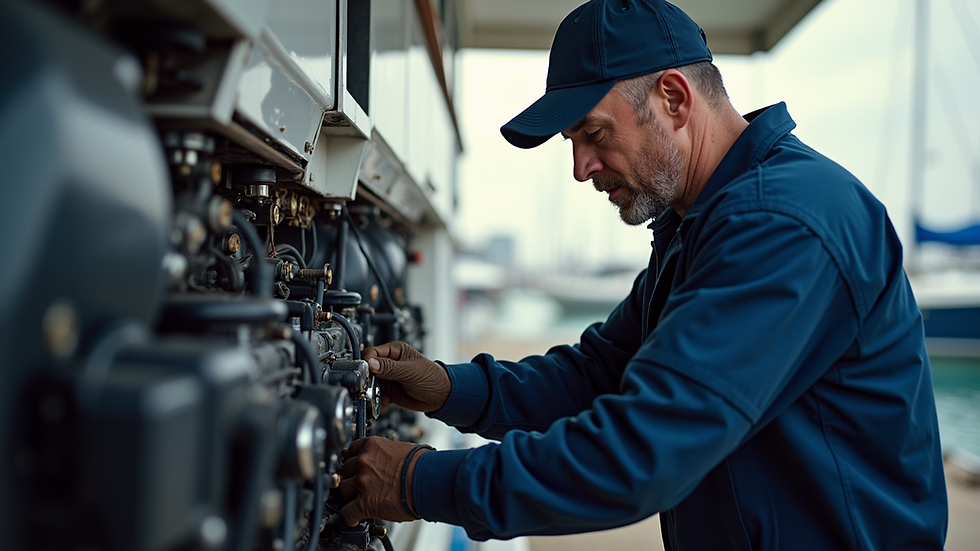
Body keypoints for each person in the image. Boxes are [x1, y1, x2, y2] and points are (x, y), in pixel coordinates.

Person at [336, 0, 949, 549]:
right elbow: (600, 375)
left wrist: (418, 480)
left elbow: (641, 452)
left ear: (675, 99)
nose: (580, 168)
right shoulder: (703, 222)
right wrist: (448, 388)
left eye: (593, 134)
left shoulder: (783, 222)